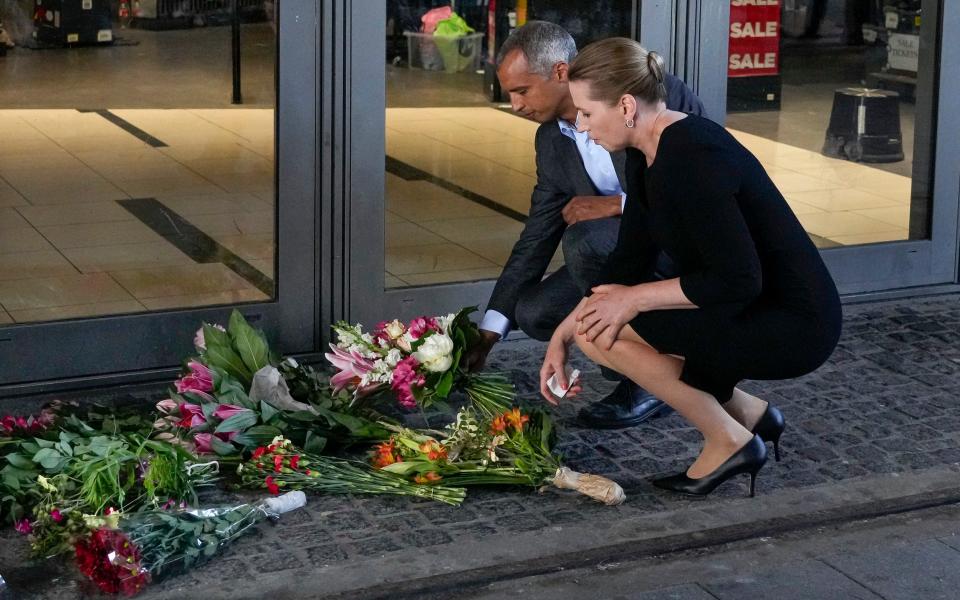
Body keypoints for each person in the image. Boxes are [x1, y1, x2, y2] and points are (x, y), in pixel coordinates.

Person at [540, 38, 841, 496]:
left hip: (794, 321)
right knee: (590, 327)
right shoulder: (647, 153)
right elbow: (629, 259)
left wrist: (632, 299)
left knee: (600, 330)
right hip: (745, 305)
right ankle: (750, 416)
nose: (581, 127)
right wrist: (563, 331)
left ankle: (729, 442)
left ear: (624, 105)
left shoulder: (691, 156)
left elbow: (738, 277)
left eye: (585, 112)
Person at [465, 21, 705, 429]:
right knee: (534, 311)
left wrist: (618, 204)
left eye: (522, 90)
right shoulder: (551, 141)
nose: (516, 105)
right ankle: (646, 354)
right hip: (624, 258)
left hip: (682, 255)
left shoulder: (651, 91)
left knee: (587, 241)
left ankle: (648, 379)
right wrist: (487, 335)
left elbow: (703, 185)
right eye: (510, 94)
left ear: (561, 72)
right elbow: (535, 239)